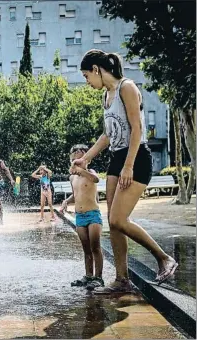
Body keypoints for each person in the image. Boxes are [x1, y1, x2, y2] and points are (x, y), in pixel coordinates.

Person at [72, 49, 177, 294]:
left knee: (119, 219)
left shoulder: (126, 88)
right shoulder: (106, 96)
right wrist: (85, 159)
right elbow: (108, 135)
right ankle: (122, 280)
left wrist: (129, 165)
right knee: (113, 222)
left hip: (136, 157)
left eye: (87, 76)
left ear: (97, 70)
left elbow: (137, 128)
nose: (87, 82)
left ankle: (163, 258)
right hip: (117, 159)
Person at [60, 144, 104, 291]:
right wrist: (67, 201)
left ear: (87, 160)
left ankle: (98, 278)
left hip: (93, 215)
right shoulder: (72, 177)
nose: (77, 163)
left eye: (81, 159)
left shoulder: (90, 172)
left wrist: (81, 170)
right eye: (75, 161)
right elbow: (76, 194)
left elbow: (96, 179)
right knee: (86, 249)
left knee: (95, 247)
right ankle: (88, 275)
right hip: (80, 216)